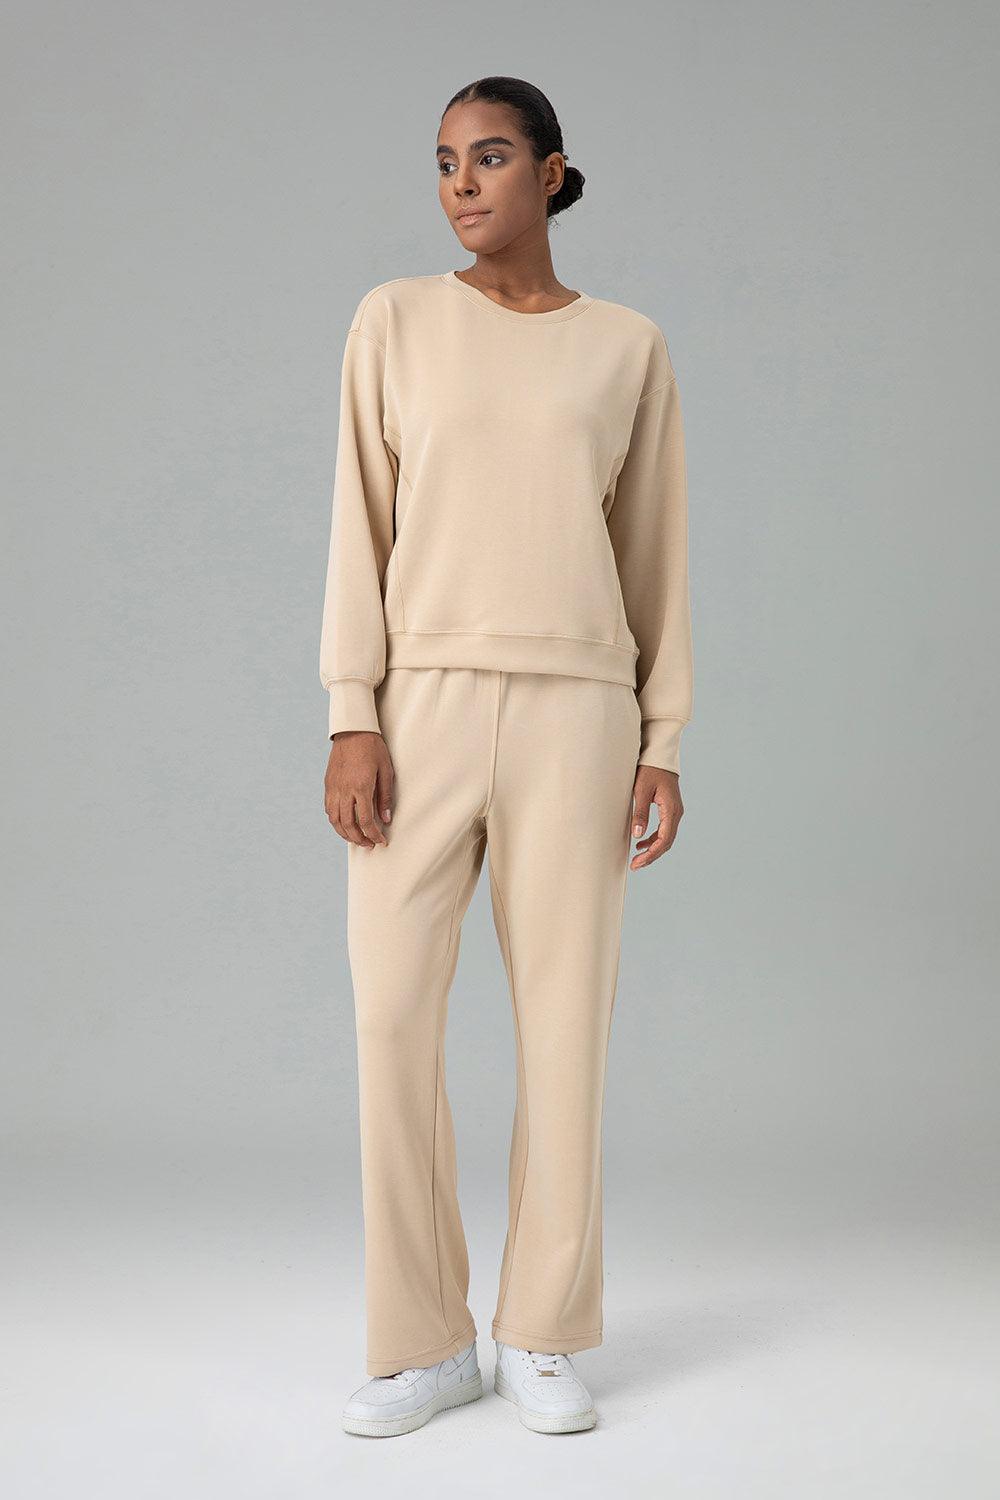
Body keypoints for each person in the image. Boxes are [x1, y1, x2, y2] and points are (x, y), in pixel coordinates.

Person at [320, 75, 693, 1438]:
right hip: (418, 705)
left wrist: (661, 739)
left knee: (565, 1024)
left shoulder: (627, 347)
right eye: (442, 163)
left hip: (579, 714)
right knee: (389, 1018)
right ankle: (423, 1343)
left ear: (551, 172)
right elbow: (360, 523)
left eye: (488, 158)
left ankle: (541, 1331)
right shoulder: (395, 321)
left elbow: (654, 554)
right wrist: (351, 712)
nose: (461, 185)